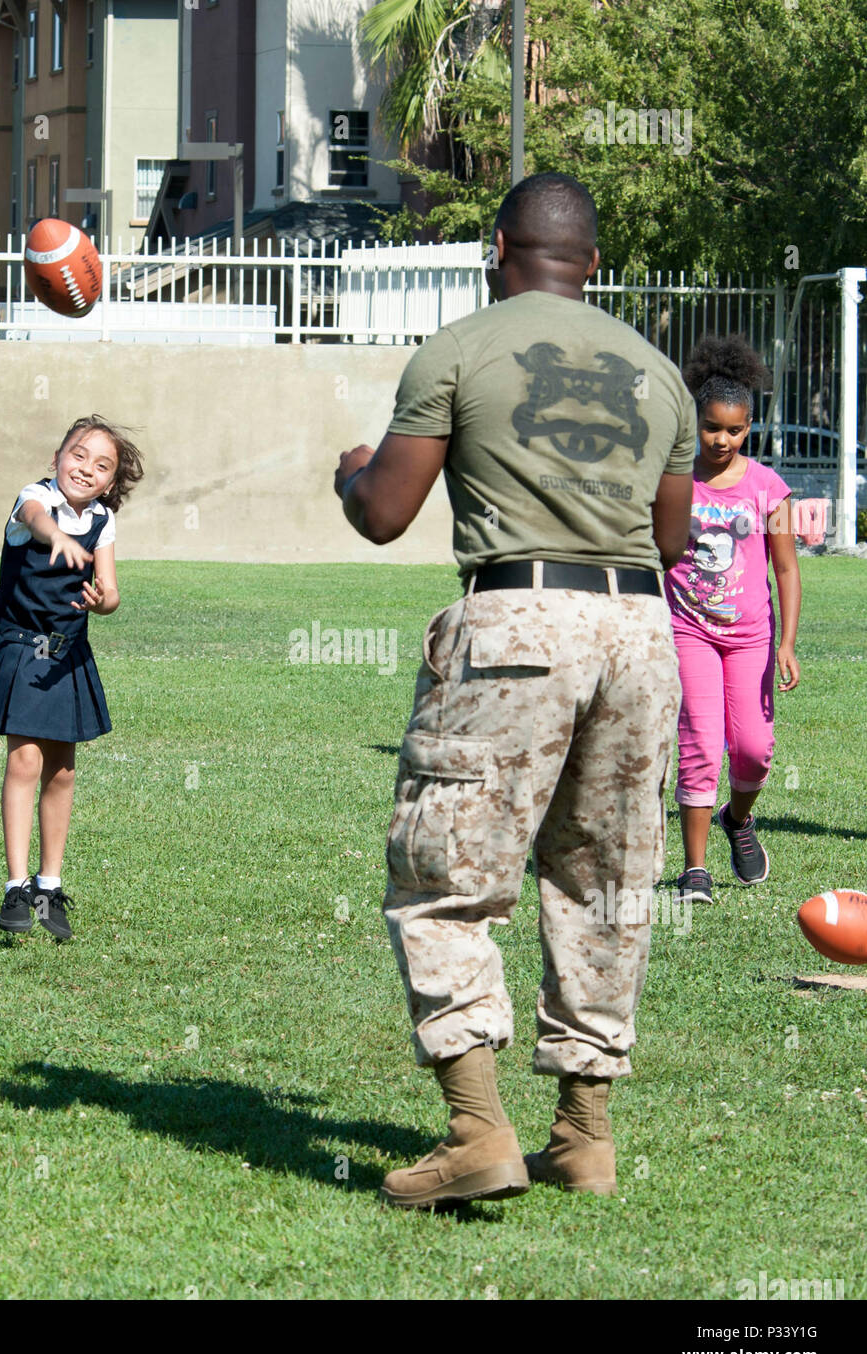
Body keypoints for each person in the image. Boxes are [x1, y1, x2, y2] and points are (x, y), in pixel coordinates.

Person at [334, 173, 696, 1207]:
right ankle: (584, 1135)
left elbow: (386, 512)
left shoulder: (459, 349)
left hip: (517, 621)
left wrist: (354, 472)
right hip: (638, 633)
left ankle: (477, 1130)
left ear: (500, 248)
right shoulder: (660, 372)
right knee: (606, 880)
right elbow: (668, 540)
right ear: (592, 261)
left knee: (445, 876)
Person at [0, 415, 144, 940]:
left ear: (111, 482)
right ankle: (15, 886)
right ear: (58, 456)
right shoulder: (32, 499)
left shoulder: (103, 520)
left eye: (102, 466)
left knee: (63, 770)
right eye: (78, 455)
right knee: (25, 758)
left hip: (68, 656)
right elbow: (35, 518)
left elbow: (112, 593)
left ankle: (47, 887)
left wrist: (103, 601)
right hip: (19, 645)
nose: (86, 468)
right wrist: (55, 533)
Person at [668, 337, 801, 905]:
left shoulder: (768, 488)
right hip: (688, 630)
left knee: (753, 748)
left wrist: (788, 644)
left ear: (750, 427)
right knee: (699, 739)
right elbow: (653, 551)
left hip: (750, 638)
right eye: (712, 427)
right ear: (695, 420)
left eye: (736, 430)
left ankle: (738, 819)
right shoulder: (671, 479)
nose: (722, 440)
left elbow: (787, 571)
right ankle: (695, 870)